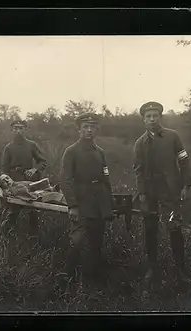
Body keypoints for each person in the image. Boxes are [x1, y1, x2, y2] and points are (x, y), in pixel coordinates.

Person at [133, 101, 191, 284]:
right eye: (148, 116)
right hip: (149, 192)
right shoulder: (139, 143)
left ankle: (180, 268)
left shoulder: (172, 136)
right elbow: (138, 170)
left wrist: (185, 185)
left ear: (160, 117)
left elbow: (184, 162)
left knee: (174, 227)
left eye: (155, 115)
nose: (152, 119)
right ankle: (152, 267)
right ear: (143, 120)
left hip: (170, 190)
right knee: (150, 229)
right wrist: (141, 192)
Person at [59, 112, 116, 285]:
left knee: (96, 242)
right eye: (85, 127)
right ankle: (66, 278)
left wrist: (110, 204)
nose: (89, 130)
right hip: (81, 202)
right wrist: (73, 205)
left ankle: (93, 279)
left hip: (100, 203)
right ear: (79, 130)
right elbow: (65, 180)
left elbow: (106, 179)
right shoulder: (71, 151)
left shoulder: (100, 152)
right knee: (76, 241)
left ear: (96, 130)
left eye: (92, 127)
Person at [0, 119, 48, 236]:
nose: (18, 131)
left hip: (29, 181)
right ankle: (6, 236)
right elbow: (4, 169)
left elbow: (42, 162)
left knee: (33, 210)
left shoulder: (31, 145)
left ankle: (33, 237)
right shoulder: (8, 148)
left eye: (20, 128)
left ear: (25, 129)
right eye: (15, 128)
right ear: (12, 130)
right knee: (12, 211)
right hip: (14, 181)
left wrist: (34, 169)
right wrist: (6, 185)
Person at [0, 174, 66, 205]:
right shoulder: (12, 189)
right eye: (3, 181)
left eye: (7, 178)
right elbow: (24, 193)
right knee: (54, 195)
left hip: (38, 192)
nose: (7, 181)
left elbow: (30, 186)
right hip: (37, 197)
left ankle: (53, 189)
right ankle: (73, 204)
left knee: (60, 189)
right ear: (3, 186)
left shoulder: (17, 183)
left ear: (10, 178)